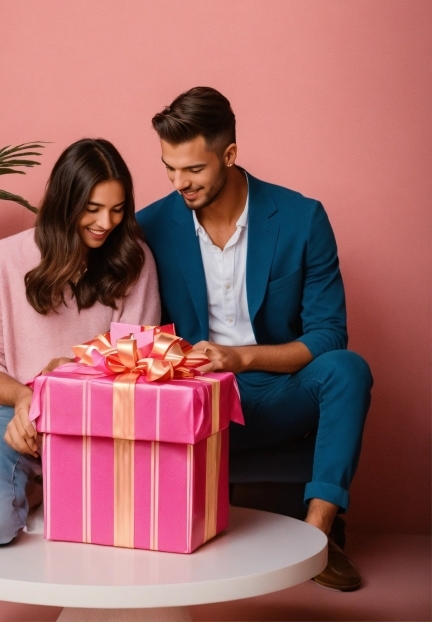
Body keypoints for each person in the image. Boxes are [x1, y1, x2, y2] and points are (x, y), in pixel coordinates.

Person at [136, 87, 372, 592]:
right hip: (197, 404)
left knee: (349, 370)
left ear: (229, 155)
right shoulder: (151, 226)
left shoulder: (301, 218)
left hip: (279, 390)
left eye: (193, 170)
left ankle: (316, 539)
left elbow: (329, 334)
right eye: (169, 169)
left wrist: (242, 357)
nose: (180, 184)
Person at [0, 138, 160, 547]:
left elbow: (137, 361)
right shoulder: (4, 258)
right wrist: (23, 399)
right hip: (7, 414)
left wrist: (65, 378)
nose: (106, 222)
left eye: (117, 210)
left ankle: (49, 486)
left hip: (97, 420)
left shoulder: (134, 260)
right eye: (93, 209)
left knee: (115, 530)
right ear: (65, 201)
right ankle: (31, 488)